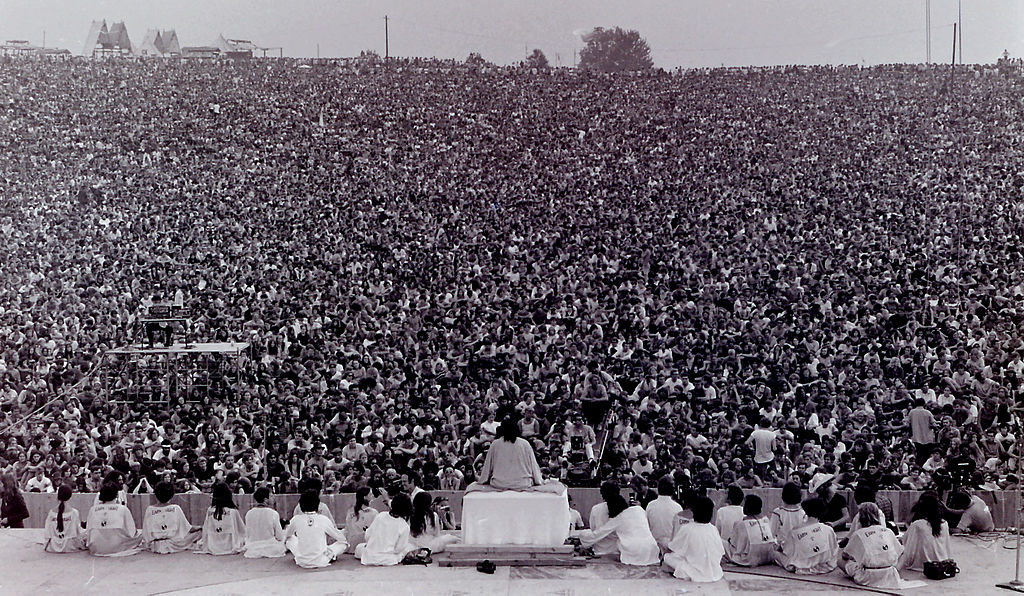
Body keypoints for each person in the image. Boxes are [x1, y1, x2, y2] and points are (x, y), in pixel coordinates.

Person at [840, 503, 919, 589]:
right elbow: (902, 552)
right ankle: (895, 570)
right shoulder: (888, 531)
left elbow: (844, 555)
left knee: (840, 561)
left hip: (868, 576)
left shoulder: (858, 534)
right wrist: (896, 568)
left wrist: (855, 556)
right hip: (889, 573)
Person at [473, 418, 560, 491]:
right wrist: (539, 480)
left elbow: (487, 467)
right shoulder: (524, 443)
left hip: (500, 483)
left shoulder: (495, 444)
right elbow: (533, 465)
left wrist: (482, 480)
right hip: (523, 483)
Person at [575, 493, 659, 565]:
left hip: (634, 551)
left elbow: (597, 534)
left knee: (619, 541)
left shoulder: (618, 519)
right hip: (652, 548)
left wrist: (581, 536)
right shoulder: (639, 509)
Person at [662, 496, 725, 582]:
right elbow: (720, 552)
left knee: (668, 557)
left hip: (695, 572)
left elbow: (672, 548)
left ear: (693, 512)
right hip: (715, 572)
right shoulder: (713, 529)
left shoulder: (687, 528)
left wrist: (664, 554)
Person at [772, 498, 839, 575]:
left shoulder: (795, 531)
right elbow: (834, 549)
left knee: (775, 553)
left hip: (802, 565)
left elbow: (787, 551)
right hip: (825, 565)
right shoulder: (828, 529)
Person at [284, 490, 348, 568]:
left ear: (300, 505)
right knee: (344, 544)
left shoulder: (296, 519)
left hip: (302, 560)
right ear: (318, 504)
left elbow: (287, 536)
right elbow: (341, 539)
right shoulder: (324, 519)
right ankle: (329, 554)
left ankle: (305, 554)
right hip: (321, 560)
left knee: (289, 539)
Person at [356, 493, 416, 566]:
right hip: (388, 559)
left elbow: (367, 536)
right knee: (408, 547)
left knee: (359, 547)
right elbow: (398, 549)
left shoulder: (380, 515)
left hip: (369, 557)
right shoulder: (404, 526)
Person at [85, 483, 143, 556]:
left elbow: (88, 531)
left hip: (96, 547)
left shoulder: (92, 509)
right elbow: (131, 532)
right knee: (141, 534)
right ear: (117, 495)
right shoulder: (123, 509)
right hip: (117, 545)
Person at [142, 481, 200, 553]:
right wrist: (200, 527)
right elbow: (188, 529)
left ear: (156, 495)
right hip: (174, 544)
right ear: (172, 495)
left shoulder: (149, 509)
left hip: (155, 545)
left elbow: (146, 532)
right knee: (199, 532)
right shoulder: (176, 508)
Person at [898, 492, 951, 571]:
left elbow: (906, 545)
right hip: (942, 561)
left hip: (922, 563)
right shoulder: (944, 524)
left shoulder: (918, 525)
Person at [195, 482, 246, 555]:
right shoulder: (233, 511)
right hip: (229, 545)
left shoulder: (210, 510)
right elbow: (242, 530)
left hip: (213, 545)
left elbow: (205, 530)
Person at [725, 495, 775, 567]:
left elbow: (733, 543)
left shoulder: (741, 524)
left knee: (723, 543)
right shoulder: (766, 520)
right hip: (768, 556)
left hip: (749, 559)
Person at [243, 486, 286, 558]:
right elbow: (280, 537)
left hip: (252, 548)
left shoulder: (249, 513)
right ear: (266, 499)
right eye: (271, 496)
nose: (274, 498)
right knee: (290, 538)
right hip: (271, 548)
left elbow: (248, 535)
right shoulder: (273, 513)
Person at [645, 476, 682, 553]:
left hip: (653, 546)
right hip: (670, 547)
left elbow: (647, 528)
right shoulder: (677, 507)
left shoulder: (650, 505)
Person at [43, 485, 85, 553]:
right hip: (69, 546)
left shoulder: (51, 513)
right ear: (70, 496)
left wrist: (46, 545)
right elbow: (78, 532)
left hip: (53, 546)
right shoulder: (74, 512)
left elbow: (47, 533)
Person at [588, 481, 624, 556]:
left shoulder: (595, 509)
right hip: (617, 551)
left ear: (602, 494)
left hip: (599, 550)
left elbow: (593, 529)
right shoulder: (624, 509)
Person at [769, 482, 807, 549]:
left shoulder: (778, 513)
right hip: (800, 550)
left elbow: (771, 534)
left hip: (783, 550)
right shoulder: (803, 513)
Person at [343, 486, 378, 554]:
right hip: (364, 544)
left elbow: (347, 529)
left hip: (351, 544)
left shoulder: (350, 510)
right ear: (365, 497)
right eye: (371, 494)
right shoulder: (374, 512)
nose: (373, 496)